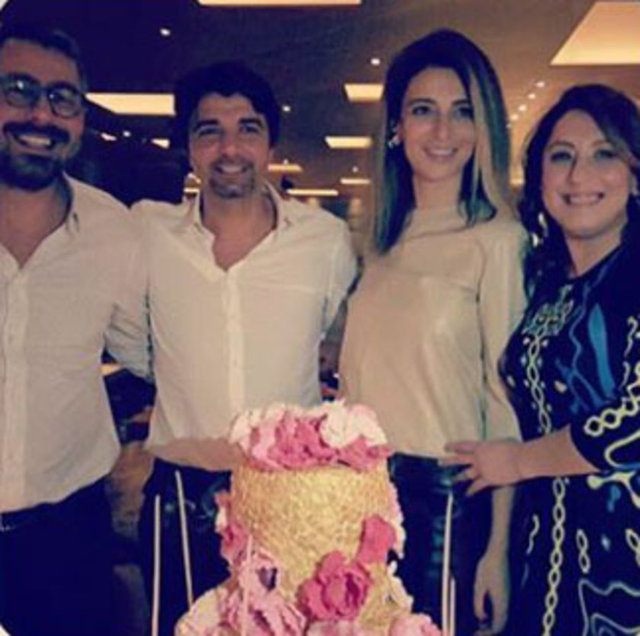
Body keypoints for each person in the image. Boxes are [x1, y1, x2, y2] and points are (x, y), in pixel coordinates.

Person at [134, 61, 356, 634]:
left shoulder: (324, 242)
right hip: (180, 493)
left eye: (248, 129)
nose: (230, 149)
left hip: (291, 497)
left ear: (271, 144)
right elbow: (133, 339)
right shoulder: (148, 235)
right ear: (188, 147)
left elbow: (332, 334)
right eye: (209, 131)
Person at [338, 29, 524, 633]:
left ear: (482, 128)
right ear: (396, 126)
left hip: (446, 499)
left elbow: (506, 405)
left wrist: (497, 551)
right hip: (363, 497)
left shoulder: (498, 240)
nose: (443, 131)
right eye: (424, 110)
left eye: (462, 111)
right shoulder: (380, 242)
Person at [447, 84, 640, 634]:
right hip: (547, 555)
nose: (579, 176)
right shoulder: (548, 285)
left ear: (635, 175)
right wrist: (500, 553)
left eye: (604, 154)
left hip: (624, 568)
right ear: (539, 178)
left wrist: (519, 460)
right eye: (562, 156)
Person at [0, 23, 148, 636]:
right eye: (18, 89)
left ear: (81, 120)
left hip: (67, 538)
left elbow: (147, 352)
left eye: (62, 99)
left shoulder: (114, 231)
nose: (41, 114)